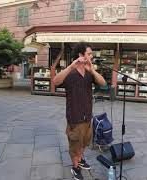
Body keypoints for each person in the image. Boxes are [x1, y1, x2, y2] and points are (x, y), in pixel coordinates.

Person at [53, 42, 106, 180]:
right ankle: (75, 167)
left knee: (85, 143)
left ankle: (80, 159)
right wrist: (71, 65)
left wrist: (92, 70)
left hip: (87, 115)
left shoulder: (89, 73)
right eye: (89, 54)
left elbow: (103, 83)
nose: (91, 57)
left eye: (91, 55)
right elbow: (55, 82)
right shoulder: (70, 73)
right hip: (74, 117)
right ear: (80, 55)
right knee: (75, 145)